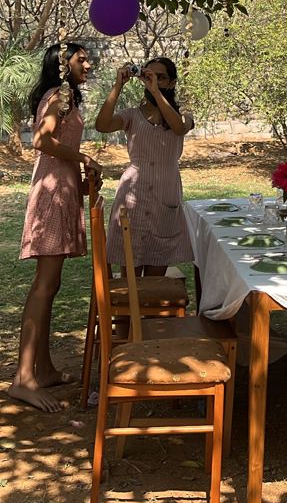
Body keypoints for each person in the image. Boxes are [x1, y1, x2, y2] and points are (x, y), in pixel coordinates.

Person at [9, 42, 102, 413]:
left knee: (53, 283)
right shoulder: (57, 94)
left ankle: (42, 368)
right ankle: (24, 379)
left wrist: (81, 180)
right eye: (82, 59)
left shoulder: (67, 98)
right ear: (63, 65)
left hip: (62, 191)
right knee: (44, 285)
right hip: (50, 195)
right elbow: (42, 141)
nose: (89, 64)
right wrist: (82, 156)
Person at [97, 57, 194, 275]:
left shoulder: (183, 114)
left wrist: (156, 93)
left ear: (172, 83)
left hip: (165, 193)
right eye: (150, 76)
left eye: (161, 78)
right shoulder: (131, 115)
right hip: (133, 195)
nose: (155, 82)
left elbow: (178, 127)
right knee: (130, 271)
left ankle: (150, 310)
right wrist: (118, 86)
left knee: (156, 273)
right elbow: (102, 125)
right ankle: (130, 309)